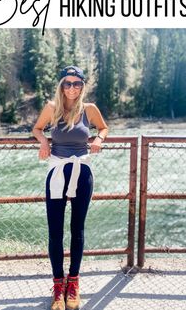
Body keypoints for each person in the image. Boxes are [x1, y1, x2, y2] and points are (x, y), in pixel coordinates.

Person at [32, 65, 108, 310]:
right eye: (68, 83)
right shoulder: (51, 108)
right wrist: (44, 141)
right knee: (55, 231)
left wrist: (98, 139)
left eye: (77, 83)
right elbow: (36, 128)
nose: (72, 88)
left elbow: (104, 127)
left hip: (82, 171)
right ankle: (58, 285)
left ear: (82, 86)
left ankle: (73, 283)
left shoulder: (89, 109)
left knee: (77, 229)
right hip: (56, 172)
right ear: (61, 85)